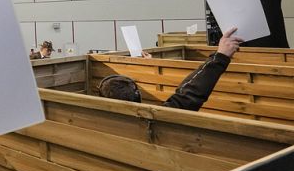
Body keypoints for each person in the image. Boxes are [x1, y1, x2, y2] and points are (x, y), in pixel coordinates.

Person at [98, 27, 244, 111]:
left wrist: (150, 63)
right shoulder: (157, 123)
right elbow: (189, 95)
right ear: (138, 97)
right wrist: (221, 57)